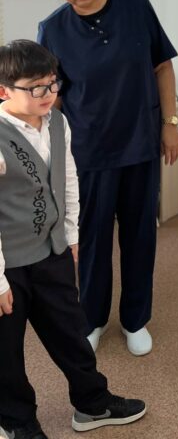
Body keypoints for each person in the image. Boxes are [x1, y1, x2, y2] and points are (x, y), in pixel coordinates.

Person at [37, 0, 178, 357]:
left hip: (139, 143)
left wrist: (170, 124)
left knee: (139, 236)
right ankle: (93, 319)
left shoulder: (136, 9)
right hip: (87, 151)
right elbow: (51, 98)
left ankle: (135, 320)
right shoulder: (53, 29)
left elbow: (162, 67)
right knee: (93, 240)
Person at [0, 40, 146, 439]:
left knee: (70, 331)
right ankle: (17, 421)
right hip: (7, 265)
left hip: (53, 252)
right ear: (4, 91)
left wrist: (70, 233)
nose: (48, 93)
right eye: (36, 87)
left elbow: (67, 179)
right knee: (6, 352)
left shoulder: (57, 122)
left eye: (52, 83)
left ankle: (92, 403)